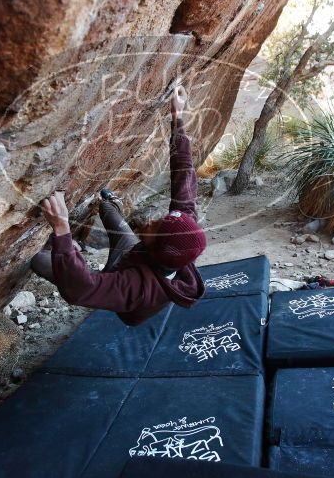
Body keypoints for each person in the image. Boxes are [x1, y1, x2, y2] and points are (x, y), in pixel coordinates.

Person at [31, 86, 206, 325]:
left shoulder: (135, 288)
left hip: (123, 280)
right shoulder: (181, 234)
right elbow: (184, 174)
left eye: (155, 227)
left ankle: (74, 254)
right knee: (107, 210)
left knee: (40, 260)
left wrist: (62, 229)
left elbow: (80, 291)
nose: (152, 219)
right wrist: (178, 117)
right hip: (135, 255)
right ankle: (113, 205)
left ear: (155, 246)